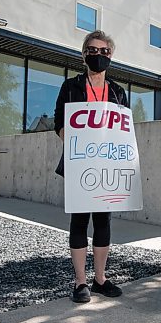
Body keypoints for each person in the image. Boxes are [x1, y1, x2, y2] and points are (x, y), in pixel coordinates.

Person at [54, 30, 129, 303]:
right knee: (79, 221)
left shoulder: (118, 92)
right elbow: (59, 122)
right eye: (93, 51)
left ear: (111, 56)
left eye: (104, 52)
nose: (99, 56)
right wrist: (77, 144)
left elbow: (123, 130)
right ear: (84, 54)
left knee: (103, 221)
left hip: (107, 166)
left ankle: (100, 278)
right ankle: (80, 282)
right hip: (79, 165)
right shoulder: (71, 87)